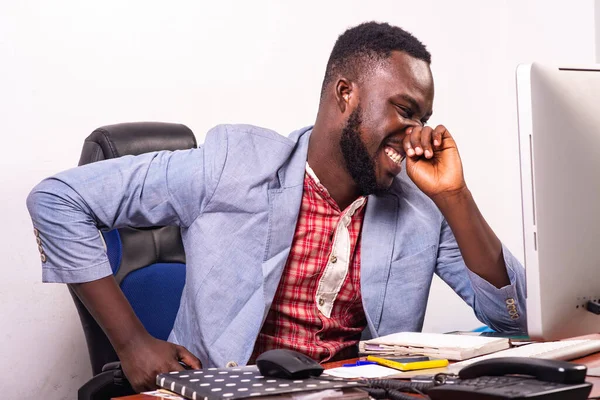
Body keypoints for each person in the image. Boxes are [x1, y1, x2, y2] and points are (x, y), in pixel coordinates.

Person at [27, 22, 526, 392]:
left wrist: (453, 197)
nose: (416, 134)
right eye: (404, 110)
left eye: (424, 117)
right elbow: (58, 200)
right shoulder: (233, 166)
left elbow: (516, 318)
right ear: (345, 95)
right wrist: (133, 343)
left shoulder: (417, 206)